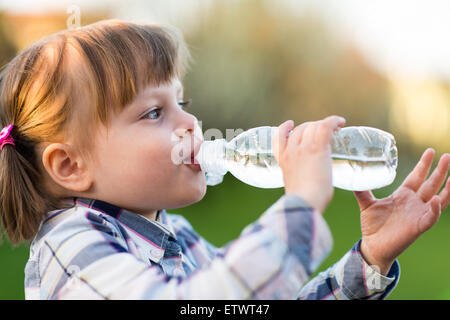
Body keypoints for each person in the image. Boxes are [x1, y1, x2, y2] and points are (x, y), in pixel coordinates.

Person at [0, 20, 448, 300]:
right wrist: (301, 203)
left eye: (182, 101)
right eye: (155, 112)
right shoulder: (72, 249)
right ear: (71, 166)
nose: (191, 122)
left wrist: (371, 259)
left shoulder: (174, 234)